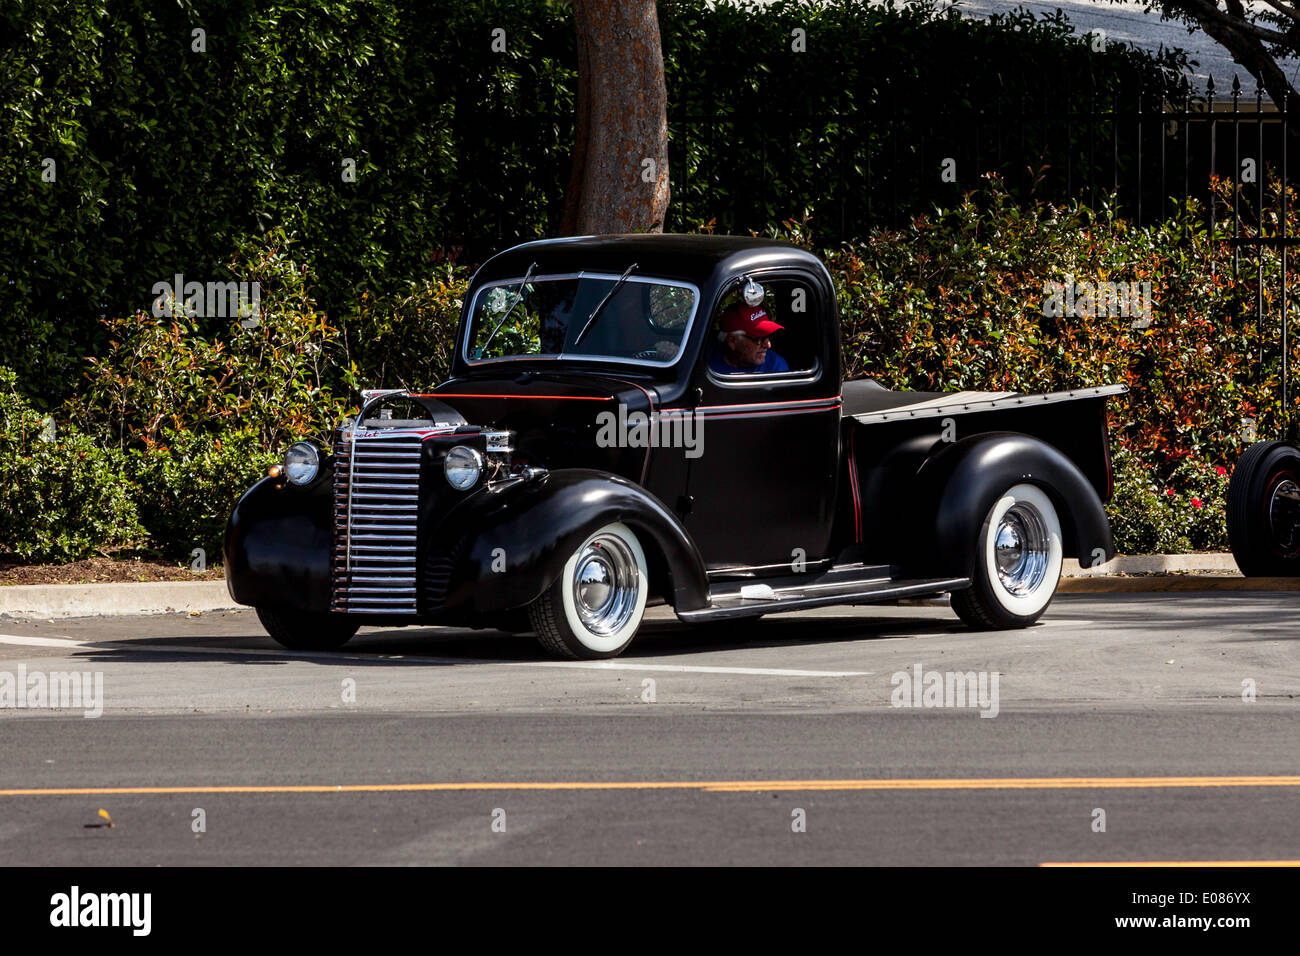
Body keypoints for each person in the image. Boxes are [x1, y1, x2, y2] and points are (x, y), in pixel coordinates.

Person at [707, 302, 789, 373]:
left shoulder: (775, 366)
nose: (768, 345)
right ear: (732, 341)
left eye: (768, 336)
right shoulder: (705, 359)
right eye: (759, 339)